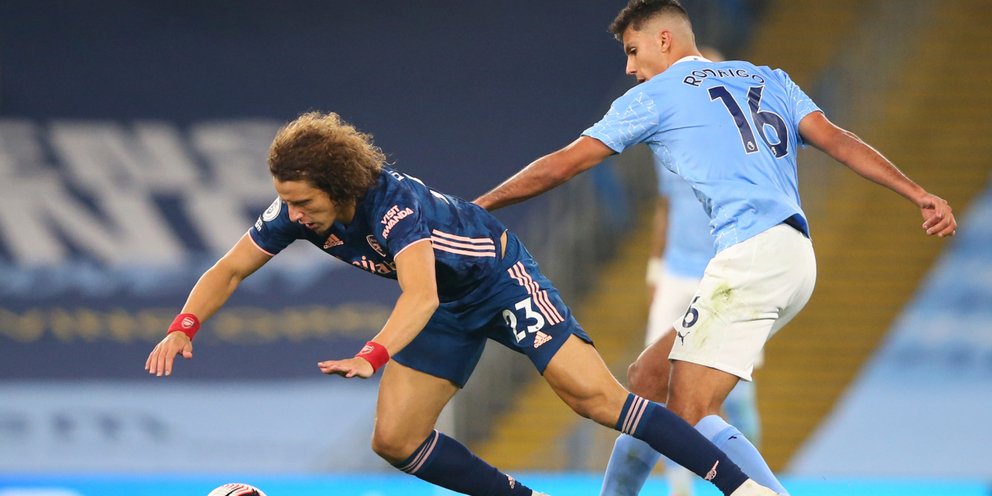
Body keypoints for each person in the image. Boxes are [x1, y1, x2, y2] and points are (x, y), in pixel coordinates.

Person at [145, 111, 779, 496]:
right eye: (285, 200)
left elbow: (418, 294)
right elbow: (230, 268)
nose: (293, 213)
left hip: (499, 280)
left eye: (303, 202)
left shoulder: (394, 207)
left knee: (596, 400)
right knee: (395, 440)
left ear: (338, 187)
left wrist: (372, 355)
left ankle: (740, 486)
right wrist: (184, 326)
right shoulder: (298, 212)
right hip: (446, 305)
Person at [473, 1, 957, 494]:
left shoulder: (656, 95)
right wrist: (917, 193)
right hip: (791, 255)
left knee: (691, 410)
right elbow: (838, 139)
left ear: (664, 40)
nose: (630, 68)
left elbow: (564, 164)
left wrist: (479, 207)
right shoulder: (768, 78)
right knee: (648, 377)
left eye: (633, 50)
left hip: (752, 255)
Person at [602, 47, 764, 496]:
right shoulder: (671, 136)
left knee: (736, 395)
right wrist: (655, 269)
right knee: (652, 383)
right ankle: (680, 486)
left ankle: (755, 480)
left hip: (724, 272)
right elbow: (666, 205)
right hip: (676, 271)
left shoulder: (742, 144)